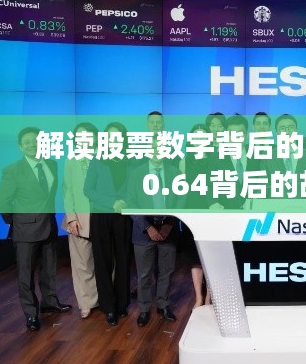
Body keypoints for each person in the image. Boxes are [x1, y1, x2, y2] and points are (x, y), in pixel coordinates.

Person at [0, 126, 71, 331]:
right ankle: (30, 313)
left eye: (36, 141)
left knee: (49, 269)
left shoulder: (52, 164)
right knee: (26, 275)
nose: (32, 145)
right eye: (27, 142)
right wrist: (16, 221)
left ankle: (50, 302)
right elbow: (2, 201)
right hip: (25, 231)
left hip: (49, 226)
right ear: (21, 147)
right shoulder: (12, 170)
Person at [127, 145, 184, 326]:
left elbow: (181, 200)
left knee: (166, 271)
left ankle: (163, 305)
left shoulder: (175, 172)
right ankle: (144, 309)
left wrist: (169, 224)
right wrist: (148, 227)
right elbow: (131, 203)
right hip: (143, 232)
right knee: (144, 274)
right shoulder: (136, 173)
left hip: (168, 231)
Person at [84, 122, 132, 326]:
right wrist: (111, 203)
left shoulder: (131, 160)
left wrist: (125, 202)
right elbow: (88, 190)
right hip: (101, 215)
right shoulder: (97, 161)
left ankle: (122, 304)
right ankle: (108, 307)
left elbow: (136, 186)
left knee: (123, 259)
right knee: (102, 261)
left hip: (124, 215)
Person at [62, 122, 99, 319]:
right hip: (79, 219)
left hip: (102, 217)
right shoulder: (71, 161)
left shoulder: (105, 157)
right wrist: (71, 218)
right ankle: (86, 303)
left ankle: (104, 299)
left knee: (106, 262)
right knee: (82, 264)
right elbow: (67, 191)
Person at [179, 123, 212, 308]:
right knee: (195, 258)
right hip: (192, 214)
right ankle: (199, 297)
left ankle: (209, 298)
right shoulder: (185, 160)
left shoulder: (216, 157)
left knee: (212, 257)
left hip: (214, 212)